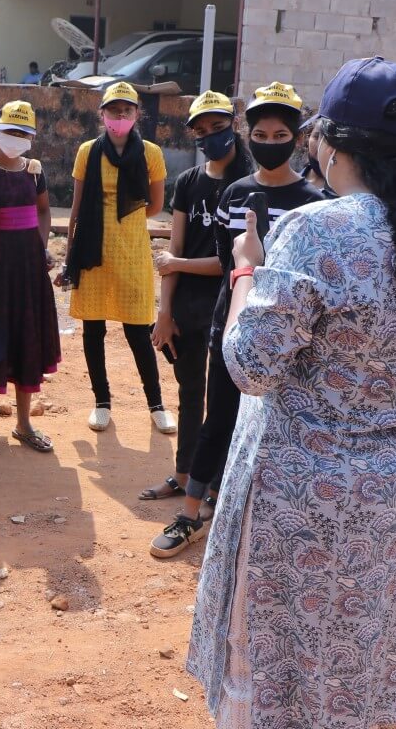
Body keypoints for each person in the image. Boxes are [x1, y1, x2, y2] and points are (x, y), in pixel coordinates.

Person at [187, 57, 396, 728]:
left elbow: (251, 368)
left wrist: (244, 275)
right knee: (368, 649)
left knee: (280, 659)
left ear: (328, 142)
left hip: (302, 498)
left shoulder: (318, 231)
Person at [151, 83, 321, 557]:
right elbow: (228, 268)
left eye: (280, 132)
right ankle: (190, 515)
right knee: (218, 418)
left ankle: (262, 523)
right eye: (262, 133)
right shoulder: (235, 193)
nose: (270, 142)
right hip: (232, 325)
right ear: (250, 134)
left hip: (289, 335)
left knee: (277, 427)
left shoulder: (312, 202)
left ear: (297, 136)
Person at [141, 92, 251, 521]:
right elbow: (174, 248)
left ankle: (217, 482)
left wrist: (177, 264)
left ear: (233, 124)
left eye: (217, 127)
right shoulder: (188, 182)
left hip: (230, 305)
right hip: (187, 304)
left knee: (224, 400)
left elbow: (231, 262)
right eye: (201, 130)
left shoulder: (247, 183)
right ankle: (185, 474)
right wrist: (164, 312)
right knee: (189, 392)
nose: (210, 136)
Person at [58, 81, 176, 435]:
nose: (120, 116)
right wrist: (69, 255)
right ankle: (101, 402)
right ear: (102, 114)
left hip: (132, 250)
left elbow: (156, 205)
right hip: (92, 250)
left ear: (137, 114)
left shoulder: (151, 153)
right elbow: (77, 207)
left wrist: (126, 218)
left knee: (138, 330)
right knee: (93, 328)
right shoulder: (87, 151)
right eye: (113, 110)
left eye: (127, 110)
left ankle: (156, 404)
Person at [0, 100, 61, 455]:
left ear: (32, 137)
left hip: (28, 272)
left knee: (27, 342)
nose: (15, 138)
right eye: (9, 132)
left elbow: (44, 211)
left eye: (22, 133)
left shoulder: (35, 171)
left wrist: (41, 247)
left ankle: (24, 423)